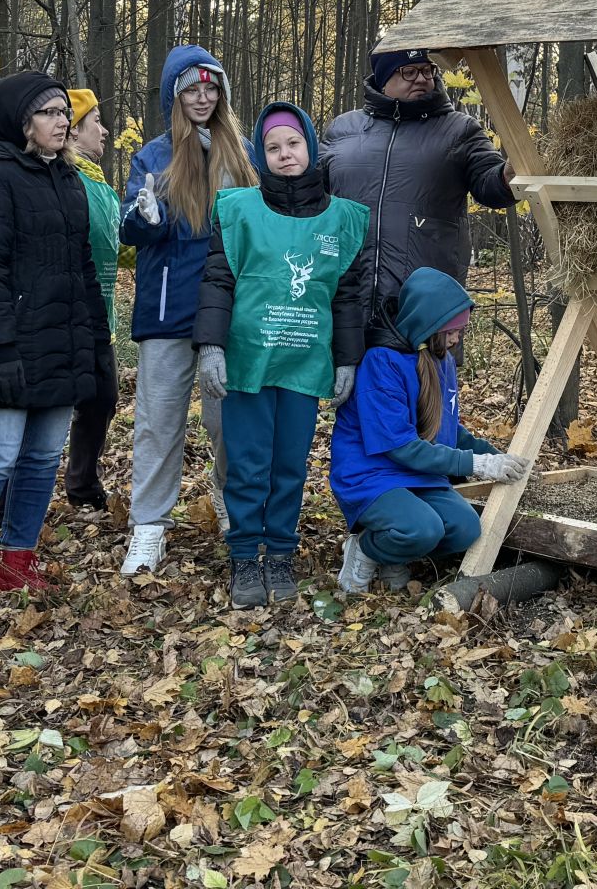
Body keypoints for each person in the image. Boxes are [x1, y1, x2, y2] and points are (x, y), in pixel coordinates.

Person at [0, 72, 113, 629]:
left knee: (41, 461)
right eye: (49, 113)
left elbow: (82, 268)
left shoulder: (68, 179)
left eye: (65, 113)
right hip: (8, 349)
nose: (62, 122)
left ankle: (16, 562)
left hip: (61, 345)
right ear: (21, 122)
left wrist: (93, 342)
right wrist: (0, 350)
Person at [192, 103, 369, 608]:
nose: (284, 154)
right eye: (273, 147)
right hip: (248, 362)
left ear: (310, 147)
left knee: (289, 465)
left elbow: (348, 295)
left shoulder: (343, 219)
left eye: (292, 144)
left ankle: (281, 552)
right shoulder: (238, 210)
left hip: (303, 362)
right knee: (247, 463)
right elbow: (218, 282)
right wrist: (211, 345)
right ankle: (246, 555)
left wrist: (346, 358)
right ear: (260, 155)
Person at [120, 46, 260, 576]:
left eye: (211, 89)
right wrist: (145, 216)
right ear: (174, 97)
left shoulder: (243, 153)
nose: (203, 98)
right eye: (191, 90)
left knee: (229, 422)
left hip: (230, 312)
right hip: (168, 311)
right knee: (159, 422)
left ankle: (230, 500)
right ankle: (150, 526)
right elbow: (131, 233)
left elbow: (258, 231)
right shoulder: (153, 157)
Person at [329, 268, 528, 595]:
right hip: (373, 474)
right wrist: (476, 465)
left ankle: (395, 552)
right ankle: (366, 549)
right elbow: (401, 448)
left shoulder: (442, 360)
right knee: (422, 529)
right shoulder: (381, 361)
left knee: (465, 528)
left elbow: (448, 430)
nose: (456, 339)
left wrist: (495, 456)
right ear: (427, 324)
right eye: (451, 331)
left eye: (460, 331)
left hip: (418, 474)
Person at [322, 47, 516, 328]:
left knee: (421, 373)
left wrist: (507, 176)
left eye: (427, 70)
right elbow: (309, 194)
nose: (421, 79)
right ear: (383, 78)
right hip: (344, 301)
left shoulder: (460, 129)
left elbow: (489, 185)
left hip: (424, 305)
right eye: (408, 72)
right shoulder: (343, 129)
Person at [62, 90, 122, 510]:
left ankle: (82, 485)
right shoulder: (65, 181)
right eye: (95, 121)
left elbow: (120, 248)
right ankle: (3, 502)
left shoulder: (103, 187)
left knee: (102, 400)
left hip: (103, 320)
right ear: (74, 130)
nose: (103, 130)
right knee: (49, 407)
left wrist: (147, 224)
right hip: (66, 318)